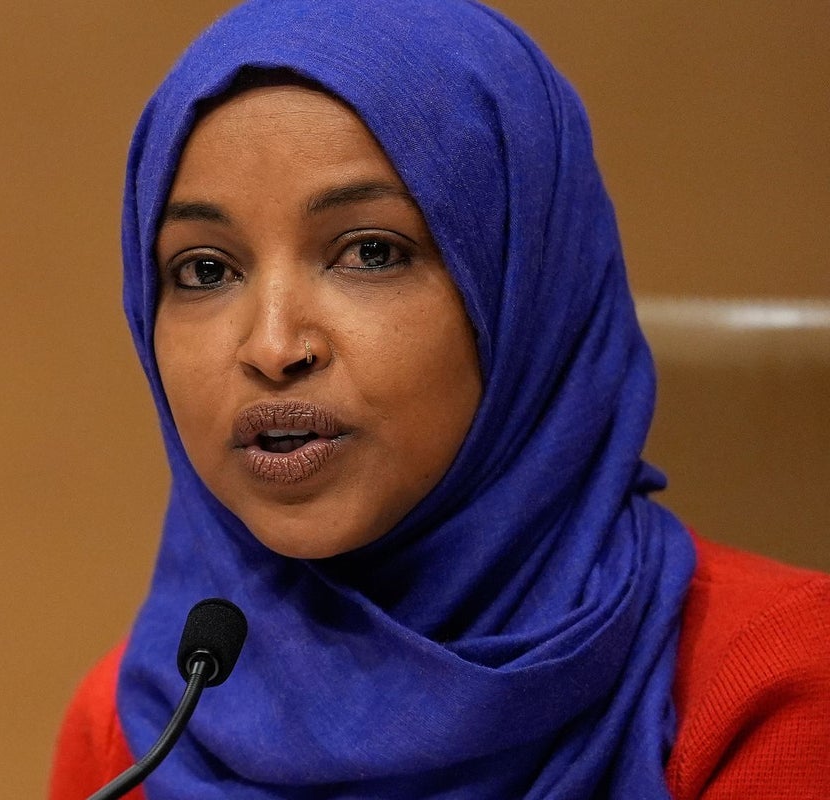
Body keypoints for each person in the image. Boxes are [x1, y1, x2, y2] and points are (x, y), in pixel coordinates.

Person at [50, 1, 830, 797]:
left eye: (370, 252)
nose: (274, 346)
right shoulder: (139, 728)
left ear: (526, 292)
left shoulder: (775, 691)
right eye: (206, 270)